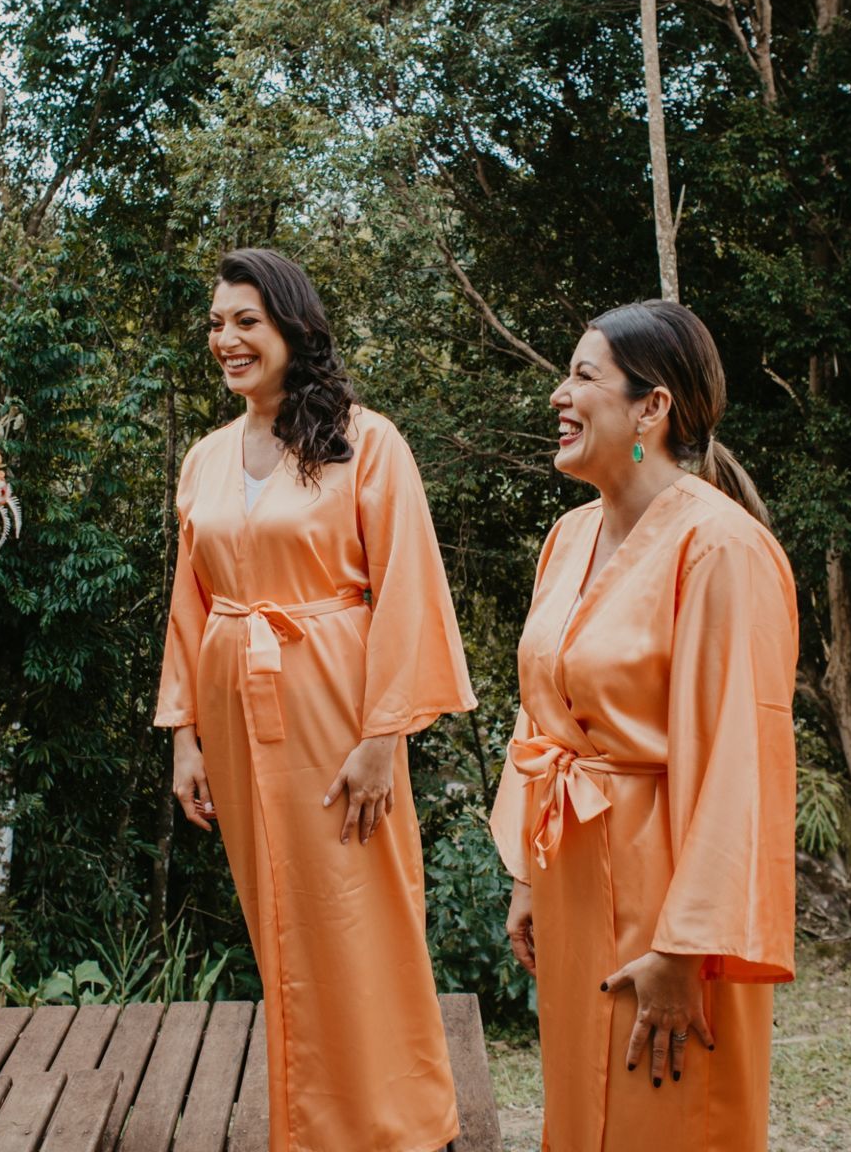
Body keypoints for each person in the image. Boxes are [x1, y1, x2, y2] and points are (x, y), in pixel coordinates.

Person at [155, 248, 476, 1152]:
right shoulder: (208, 457)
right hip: (233, 709)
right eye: (217, 323)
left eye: (246, 321)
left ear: (293, 326)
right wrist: (184, 735)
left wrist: (386, 737)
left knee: (361, 906)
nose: (227, 339)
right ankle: (315, 1126)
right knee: (281, 918)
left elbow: (408, 588)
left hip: (340, 707)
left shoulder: (367, 441)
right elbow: (191, 598)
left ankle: (407, 1124)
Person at [488, 301, 797, 1152]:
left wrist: (684, 949)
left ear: (652, 408)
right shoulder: (568, 536)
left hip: (670, 897)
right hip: (573, 876)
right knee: (579, 1113)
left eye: (584, 376)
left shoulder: (721, 548)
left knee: (666, 1114)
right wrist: (526, 872)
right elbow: (539, 714)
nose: (560, 392)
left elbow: (745, 758)